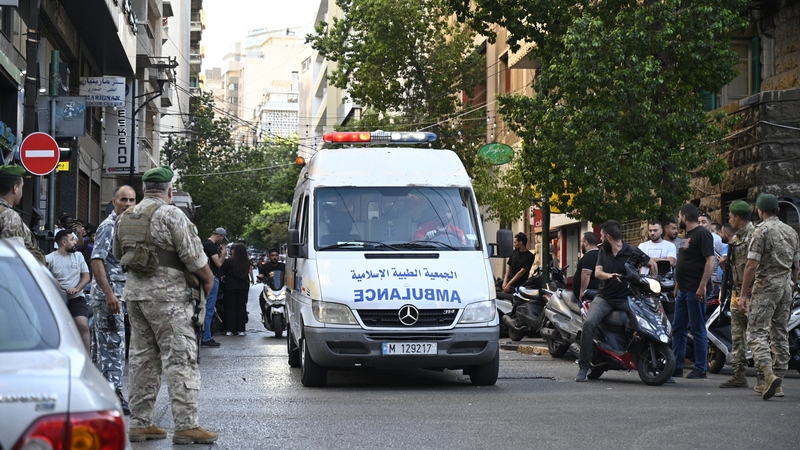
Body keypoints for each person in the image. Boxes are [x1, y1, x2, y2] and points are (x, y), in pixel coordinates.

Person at [113, 166, 217, 444]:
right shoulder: (172, 214)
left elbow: (117, 252)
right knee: (180, 358)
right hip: (168, 299)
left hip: (135, 297)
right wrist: (208, 279)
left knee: (141, 359)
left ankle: (140, 423)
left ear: (144, 190)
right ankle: (186, 425)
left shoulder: (125, 217)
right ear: (169, 190)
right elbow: (194, 257)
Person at [576, 220, 656, 382]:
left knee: (646, 323)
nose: (600, 239)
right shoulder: (603, 252)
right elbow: (597, 273)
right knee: (589, 323)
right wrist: (609, 276)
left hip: (627, 298)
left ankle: (654, 364)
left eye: (601, 236)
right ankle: (583, 367)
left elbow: (652, 264)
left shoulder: (632, 251)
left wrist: (651, 283)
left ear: (609, 237)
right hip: (604, 297)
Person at [738, 193, 800, 400]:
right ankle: (778, 382)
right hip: (786, 287)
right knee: (780, 333)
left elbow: (751, 265)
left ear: (760, 211)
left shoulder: (761, 231)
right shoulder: (791, 231)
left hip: (766, 288)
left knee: (756, 332)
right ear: (778, 210)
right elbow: (796, 266)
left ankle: (768, 375)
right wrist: (792, 285)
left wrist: (743, 294)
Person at [89, 185, 136, 414]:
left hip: (119, 295)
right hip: (109, 298)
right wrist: (109, 294)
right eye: (123, 199)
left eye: (132, 200)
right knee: (113, 346)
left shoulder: (125, 226)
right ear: (113, 201)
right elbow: (96, 260)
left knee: (104, 347)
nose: (128, 204)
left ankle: (100, 394)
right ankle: (113, 394)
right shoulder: (109, 226)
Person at [671, 203, 715, 381]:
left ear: (684, 217)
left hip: (695, 289)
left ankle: (700, 367)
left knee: (697, 328)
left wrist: (703, 285)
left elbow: (710, 260)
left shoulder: (702, 234)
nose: (678, 219)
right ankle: (676, 366)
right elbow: (685, 261)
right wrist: (678, 284)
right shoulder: (687, 237)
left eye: (679, 216)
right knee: (678, 328)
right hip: (684, 288)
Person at [718, 200, 757, 390]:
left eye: (731, 217)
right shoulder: (737, 238)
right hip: (736, 291)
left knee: (756, 336)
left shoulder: (755, 235)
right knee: (737, 336)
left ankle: (765, 377)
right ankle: (739, 375)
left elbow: (756, 264)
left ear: (738, 218)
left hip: (750, 293)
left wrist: (751, 288)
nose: (730, 220)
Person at [47, 230, 91, 351]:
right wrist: (54, 282)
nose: (75, 242)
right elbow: (42, 277)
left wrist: (76, 288)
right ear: (64, 242)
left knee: (83, 326)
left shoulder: (78, 256)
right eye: (72, 239)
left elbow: (86, 276)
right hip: (57, 301)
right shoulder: (49, 259)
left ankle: (87, 358)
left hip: (77, 298)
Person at [0, 164, 45, 263]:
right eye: (22, 187)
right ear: (15, 188)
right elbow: (14, 260)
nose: (22, 192)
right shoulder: (10, 217)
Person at [200, 227, 228, 348]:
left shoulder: (203, 244)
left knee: (203, 307)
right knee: (209, 309)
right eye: (222, 239)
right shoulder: (211, 246)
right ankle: (207, 337)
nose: (221, 241)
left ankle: (203, 335)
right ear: (219, 235)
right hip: (212, 278)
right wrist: (223, 254)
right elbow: (218, 263)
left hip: (205, 277)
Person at [221, 243, 252, 336]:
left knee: (230, 308)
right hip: (243, 286)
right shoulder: (247, 262)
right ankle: (241, 330)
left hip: (230, 286)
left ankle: (230, 329)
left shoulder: (229, 261)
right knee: (241, 307)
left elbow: (222, 271)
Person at [699, 212, 726, 299]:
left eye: (704, 222)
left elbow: (724, 257)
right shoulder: (696, 237)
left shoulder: (717, 239)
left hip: (713, 281)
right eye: (698, 222)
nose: (701, 225)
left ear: (710, 224)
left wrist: (717, 279)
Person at [572, 232, 600, 300]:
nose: (581, 244)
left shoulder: (589, 256)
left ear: (586, 242)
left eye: (581, 241)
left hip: (587, 295)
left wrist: (582, 292)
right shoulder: (600, 254)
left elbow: (586, 274)